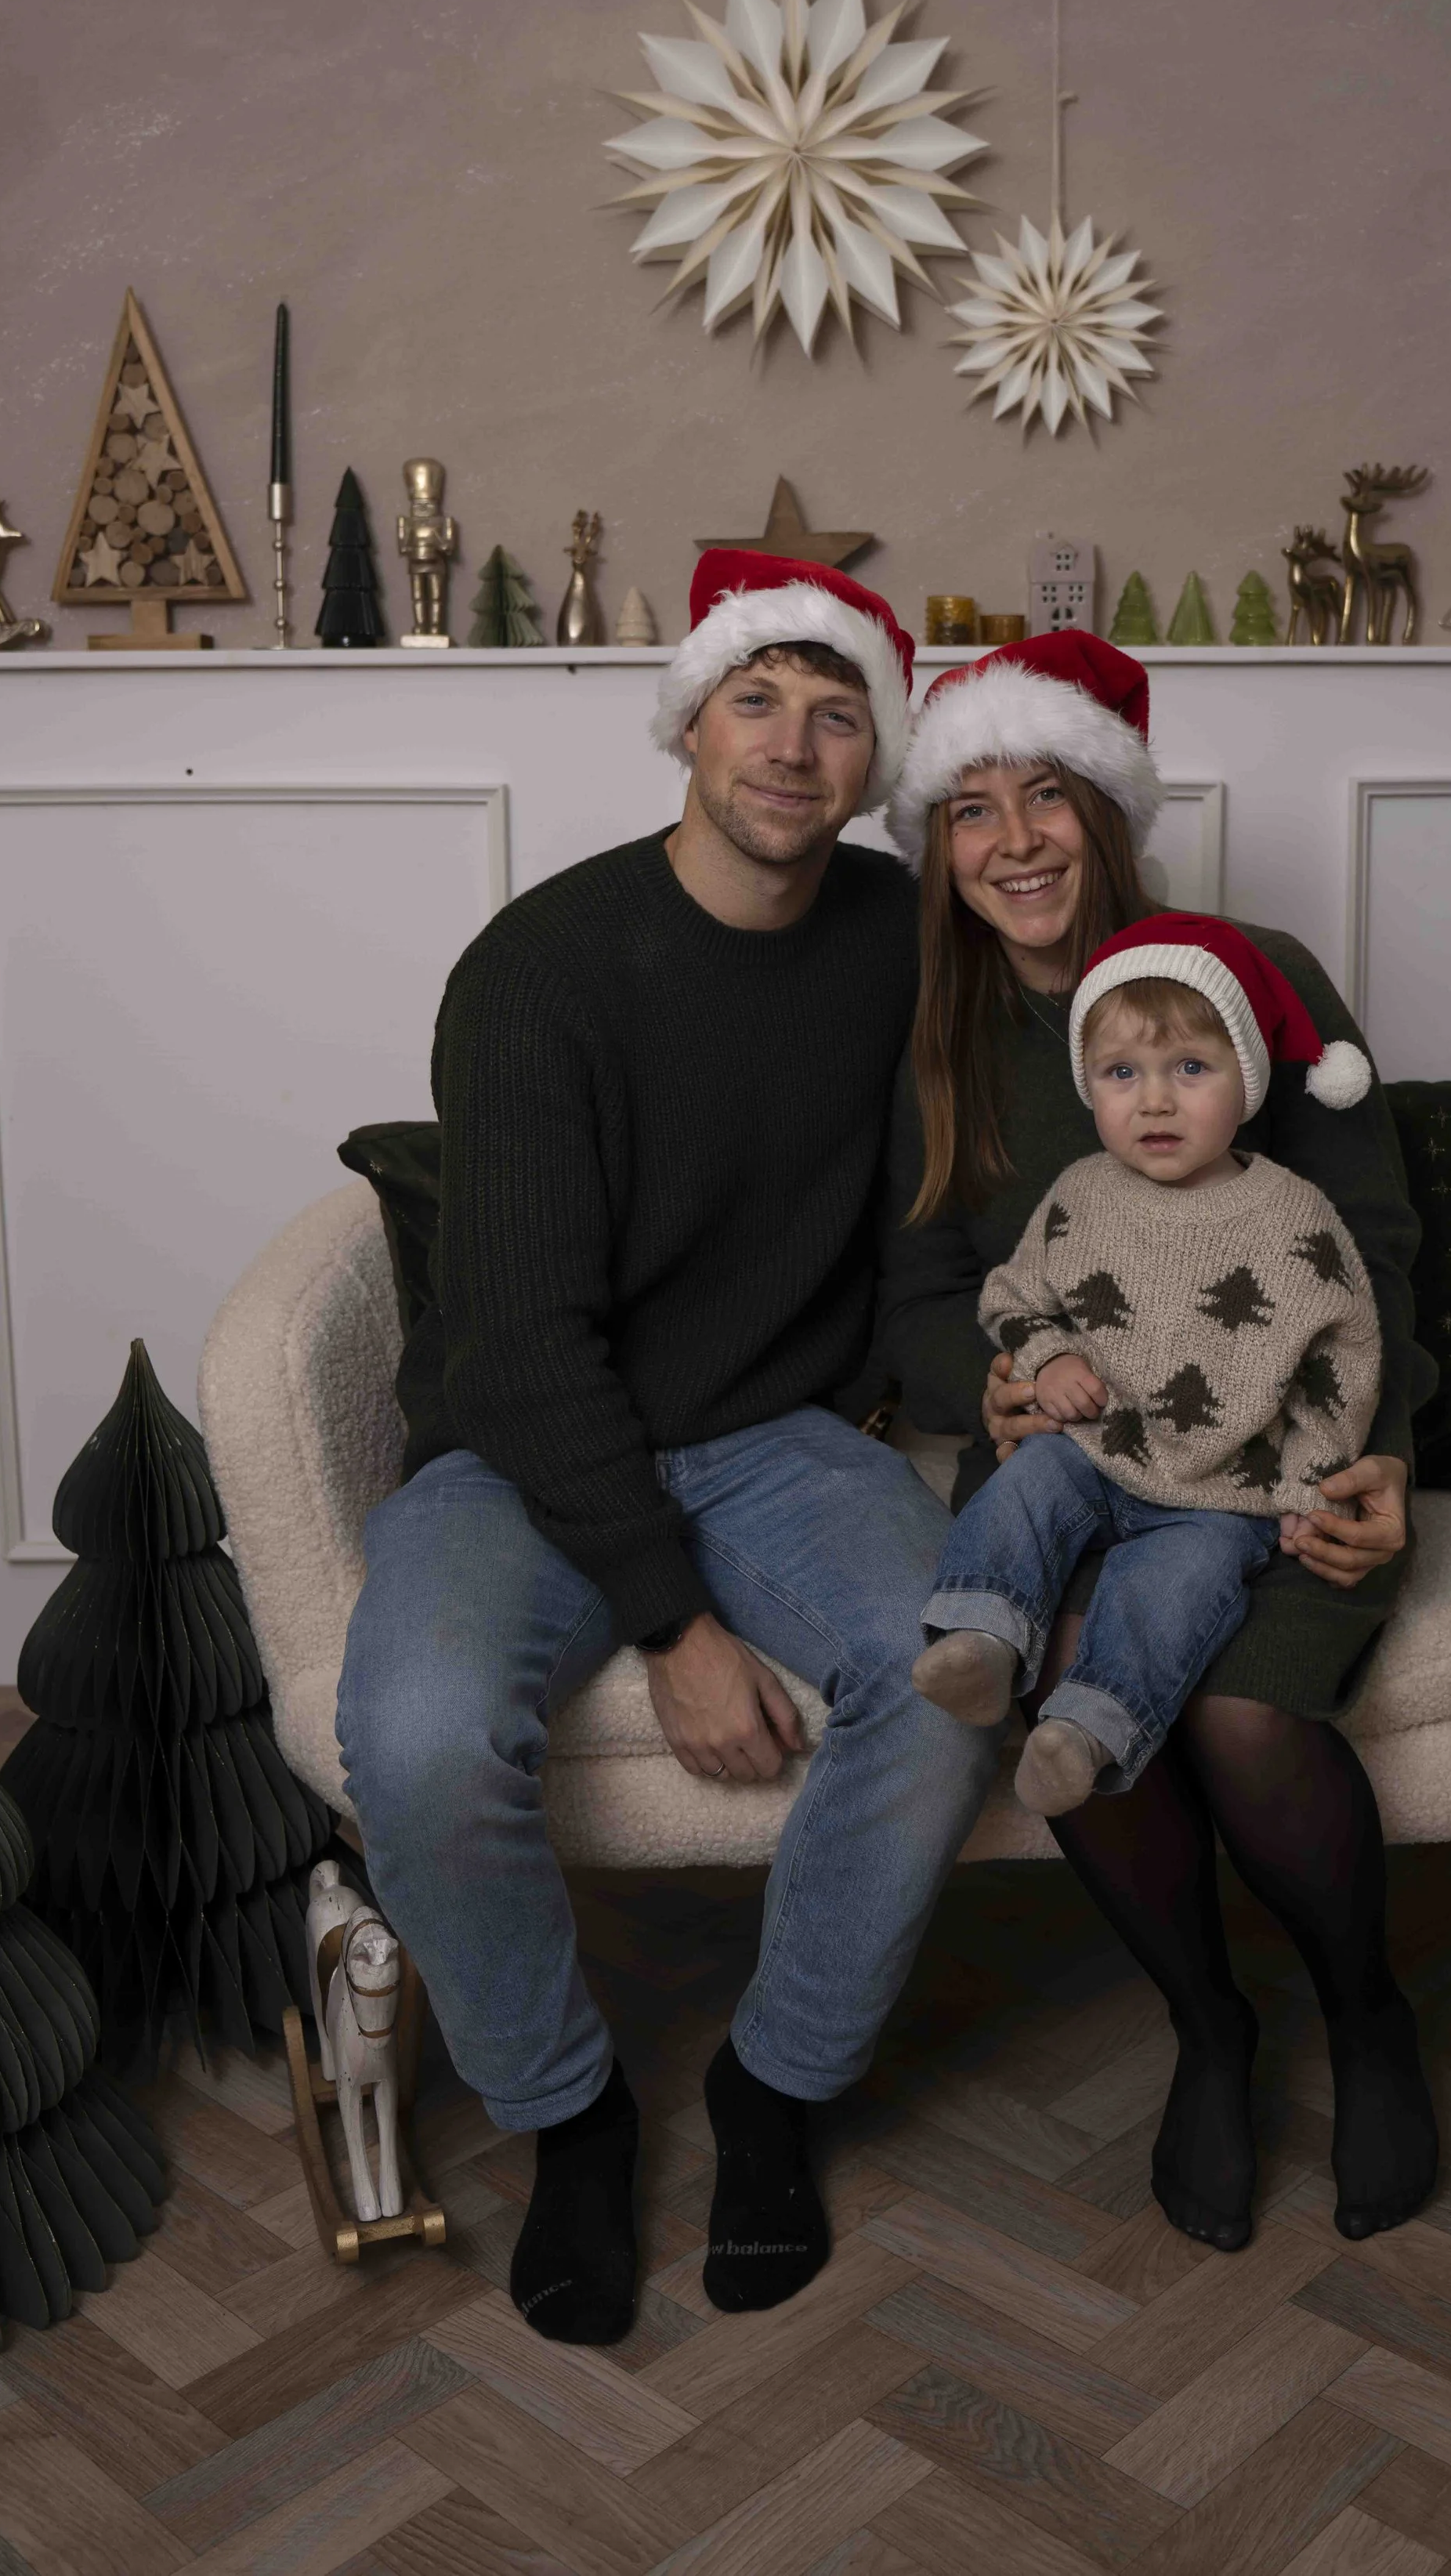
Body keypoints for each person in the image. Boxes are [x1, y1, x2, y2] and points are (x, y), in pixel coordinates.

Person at [337, 551, 999, 2348]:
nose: (791, 743)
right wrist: (675, 1626)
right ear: (690, 726)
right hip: (527, 1447)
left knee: (950, 1673)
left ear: (876, 761)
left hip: (778, 1437)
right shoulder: (541, 969)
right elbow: (522, 1343)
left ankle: (776, 2082)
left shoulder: (901, 942)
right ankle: (570, 2114)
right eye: (755, 700)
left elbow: (957, 1202)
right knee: (418, 1735)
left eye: (837, 712)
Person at [878, 631, 1441, 2246]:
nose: (1013, 841)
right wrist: (987, 1380)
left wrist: (1386, 1459)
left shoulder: (1251, 978)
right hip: (1072, 1459)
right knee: (1064, 1684)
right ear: (939, 844)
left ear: (1108, 810)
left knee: (1247, 1720)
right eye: (971, 808)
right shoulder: (937, 1038)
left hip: (1278, 1455)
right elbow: (920, 1291)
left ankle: (1366, 2016)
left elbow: (1370, 1252)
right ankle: (1208, 2026)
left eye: (1047, 795)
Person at [916, 914, 1380, 1821]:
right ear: (1088, 1085)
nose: (1155, 1102)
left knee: (1175, 1587)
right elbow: (1013, 1295)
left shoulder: (1294, 1219)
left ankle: (1085, 1731)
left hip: (1220, 1494)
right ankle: (981, 1636)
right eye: (1122, 1074)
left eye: (1190, 1069)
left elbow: (1341, 1362)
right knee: (1024, 1485)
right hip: (1091, 1448)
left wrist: (1309, 1485)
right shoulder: (1080, 1194)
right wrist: (1047, 1356)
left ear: (1245, 1081)